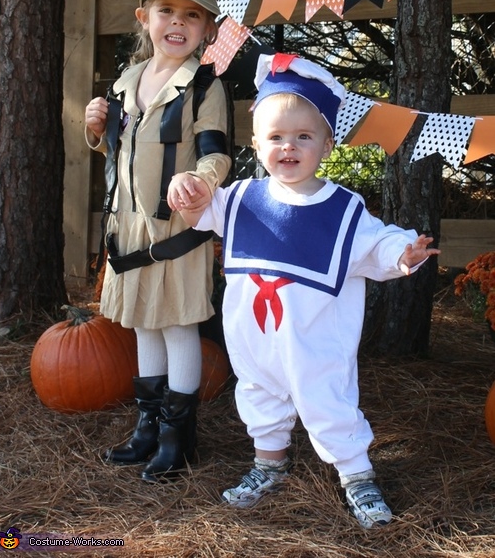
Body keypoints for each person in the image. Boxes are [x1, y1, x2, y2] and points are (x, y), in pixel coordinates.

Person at [167, 53, 440, 528]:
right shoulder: (241, 199)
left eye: (303, 137)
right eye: (275, 138)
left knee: (328, 402)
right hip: (254, 340)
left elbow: (377, 241)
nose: (287, 147)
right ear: (256, 143)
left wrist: (403, 252)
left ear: (328, 144)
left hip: (315, 344)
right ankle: (269, 464)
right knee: (258, 395)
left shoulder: (341, 209)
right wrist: (189, 193)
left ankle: (357, 475)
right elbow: (201, 215)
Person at [84, 0, 231, 482]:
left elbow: (216, 152)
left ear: (208, 29)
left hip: (175, 232)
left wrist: (202, 181)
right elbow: (120, 157)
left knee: (176, 326)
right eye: (166, 10)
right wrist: (96, 130)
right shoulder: (125, 84)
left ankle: (178, 436)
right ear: (142, 16)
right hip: (130, 228)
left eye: (192, 16)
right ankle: (147, 427)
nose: (178, 23)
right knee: (144, 322)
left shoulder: (204, 86)